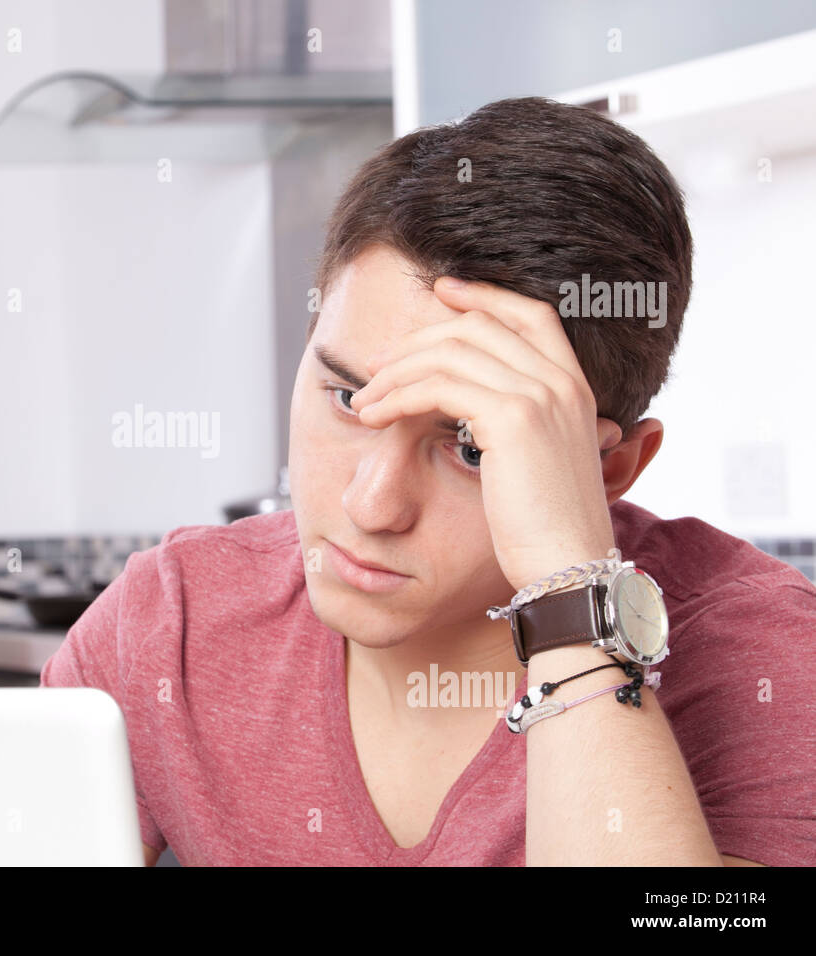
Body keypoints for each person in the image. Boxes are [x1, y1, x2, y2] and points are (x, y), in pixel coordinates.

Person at [41, 97, 816, 866]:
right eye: (349, 398)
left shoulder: (761, 660)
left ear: (607, 470)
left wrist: (569, 595)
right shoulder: (166, 626)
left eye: (472, 446)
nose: (370, 505)